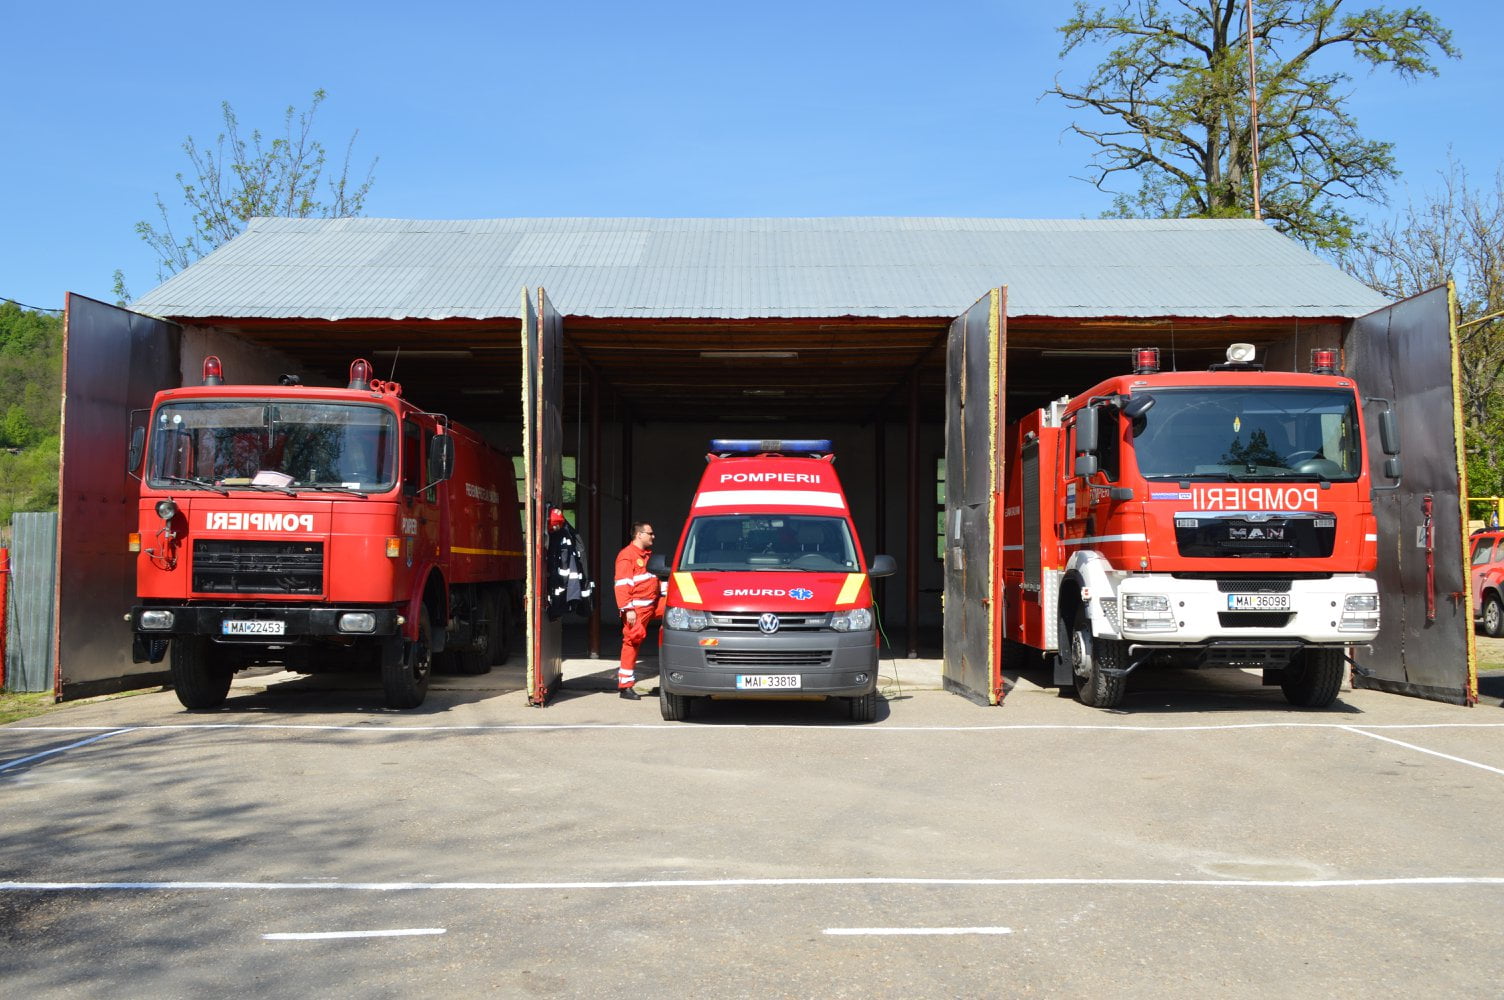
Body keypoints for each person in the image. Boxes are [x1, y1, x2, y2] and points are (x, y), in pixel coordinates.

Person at [612, 521, 659, 699]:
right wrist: (628, 609)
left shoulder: (646, 555)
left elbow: (650, 581)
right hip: (637, 609)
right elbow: (622, 584)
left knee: (680, 611)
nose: (653, 536)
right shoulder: (627, 556)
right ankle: (625, 686)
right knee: (632, 641)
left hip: (652, 604)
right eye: (650, 533)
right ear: (639, 535)